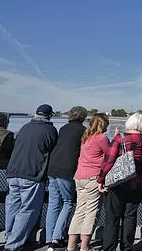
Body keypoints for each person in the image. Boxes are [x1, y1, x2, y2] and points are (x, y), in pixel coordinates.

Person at [4, 104, 59, 251]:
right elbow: (53, 151)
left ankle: (9, 238)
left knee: (12, 207)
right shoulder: (50, 130)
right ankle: (12, 246)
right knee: (28, 210)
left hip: (13, 172)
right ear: (49, 116)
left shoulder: (25, 127)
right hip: (32, 174)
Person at [98, 113, 142, 251]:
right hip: (137, 182)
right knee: (130, 216)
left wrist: (100, 180)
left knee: (112, 218)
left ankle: (109, 247)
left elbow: (108, 162)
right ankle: (126, 247)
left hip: (117, 183)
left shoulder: (119, 138)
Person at [46, 106, 88, 250]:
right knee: (68, 202)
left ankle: (50, 237)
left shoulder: (63, 128)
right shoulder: (83, 131)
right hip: (67, 170)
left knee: (53, 203)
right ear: (83, 117)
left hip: (52, 167)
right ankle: (56, 238)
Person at [67, 113, 111, 251]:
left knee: (79, 211)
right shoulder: (102, 138)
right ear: (102, 125)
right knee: (91, 212)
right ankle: (84, 246)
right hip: (92, 178)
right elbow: (110, 155)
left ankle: (71, 245)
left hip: (79, 176)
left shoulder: (86, 136)